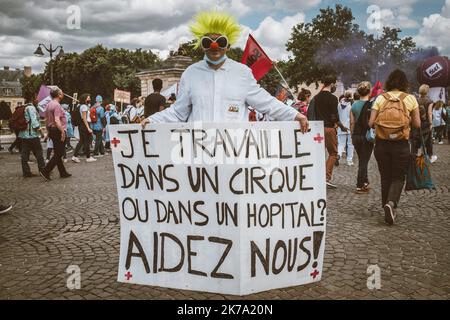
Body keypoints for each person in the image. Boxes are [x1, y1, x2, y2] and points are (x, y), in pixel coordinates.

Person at [141, 11, 309, 133]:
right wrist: (152, 119)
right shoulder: (190, 73)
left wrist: (295, 116)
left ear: (228, 45)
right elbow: (178, 111)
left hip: (234, 152)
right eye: (208, 41)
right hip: (199, 151)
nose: (215, 46)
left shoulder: (242, 72)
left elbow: (266, 103)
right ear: (202, 45)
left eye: (221, 41)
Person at [369, 69, 421, 226]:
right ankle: (391, 204)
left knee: (385, 176)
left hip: (382, 143)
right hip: (401, 144)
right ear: (405, 83)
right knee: (398, 177)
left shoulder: (380, 98)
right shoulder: (410, 99)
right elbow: (417, 124)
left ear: (389, 82)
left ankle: (386, 205)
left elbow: (371, 123)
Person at [311, 75, 348, 188]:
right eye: (335, 84)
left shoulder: (316, 97)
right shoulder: (332, 98)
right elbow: (334, 117)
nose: (335, 86)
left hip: (317, 129)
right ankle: (326, 177)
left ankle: (316, 177)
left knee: (319, 154)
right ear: (331, 84)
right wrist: (341, 126)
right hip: (328, 129)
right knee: (333, 153)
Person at [40, 88, 71, 181]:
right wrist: (62, 131)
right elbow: (57, 120)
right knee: (59, 153)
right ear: (58, 95)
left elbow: (47, 120)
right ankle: (46, 170)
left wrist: (48, 131)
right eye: (61, 92)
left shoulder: (49, 104)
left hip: (52, 130)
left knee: (58, 152)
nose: (63, 93)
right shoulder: (57, 105)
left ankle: (63, 172)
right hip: (58, 130)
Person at [350, 82, 374, 194]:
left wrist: (351, 135)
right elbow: (372, 123)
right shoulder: (372, 105)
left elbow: (352, 122)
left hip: (356, 135)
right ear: (369, 91)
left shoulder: (353, 105)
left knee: (362, 159)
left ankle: (365, 182)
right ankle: (359, 185)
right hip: (366, 136)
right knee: (364, 161)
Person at [19, 100, 46, 177]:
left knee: (24, 154)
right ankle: (43, 170)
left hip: (24, 135)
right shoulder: (31, 108)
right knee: (39, 152)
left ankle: (26, 172)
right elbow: (34, 122)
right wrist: (41, 132)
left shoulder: (24, 107)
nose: (38, 101)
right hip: (32, 134)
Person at [412, 85, 436, 162]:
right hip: (425, 123)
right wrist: (431, 123)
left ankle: (413, 156)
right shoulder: (430, 101)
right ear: (427, 91)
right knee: (428, 140)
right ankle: (430, 157)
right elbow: (429, 113)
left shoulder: (415, 100)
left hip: (416, 122)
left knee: (415, 139)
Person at [72, 94, 96, 163]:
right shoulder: (84, 107)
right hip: (85, 125)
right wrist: (88, 127)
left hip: (82, 125)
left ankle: (75, 156)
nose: (90, 99)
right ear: (85, 99)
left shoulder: (82, 106)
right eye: (88, 98)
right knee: (87, 141)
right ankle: (88, 157)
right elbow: (84, 118)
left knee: (82, 141)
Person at [337, 90, 355, 166]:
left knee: (341, 144)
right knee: (350, 144)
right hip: (349, 126)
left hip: (341, 126)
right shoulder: (352, 104)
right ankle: (349, 160)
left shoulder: (339, 104)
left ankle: (338, 155)